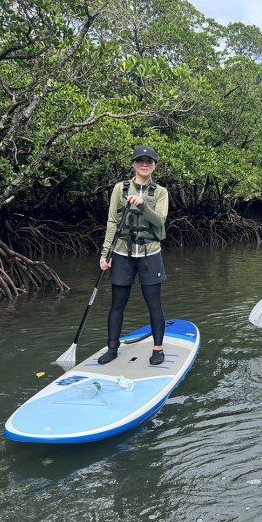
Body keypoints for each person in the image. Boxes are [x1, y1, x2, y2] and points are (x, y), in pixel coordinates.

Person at [97, 145, 169, 365]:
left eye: (149, 161)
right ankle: (112, 347)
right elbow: (112, 221)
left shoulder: (160, 192)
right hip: (122, 253)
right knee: (117, 303)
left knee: (154, 304)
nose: (144, 164)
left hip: (150, 254)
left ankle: (157, 349)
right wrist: (104, 254)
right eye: (140, 161)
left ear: (155, 165)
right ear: (134, 164)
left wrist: (143, 206)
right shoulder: (120, 188)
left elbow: (160, 221)